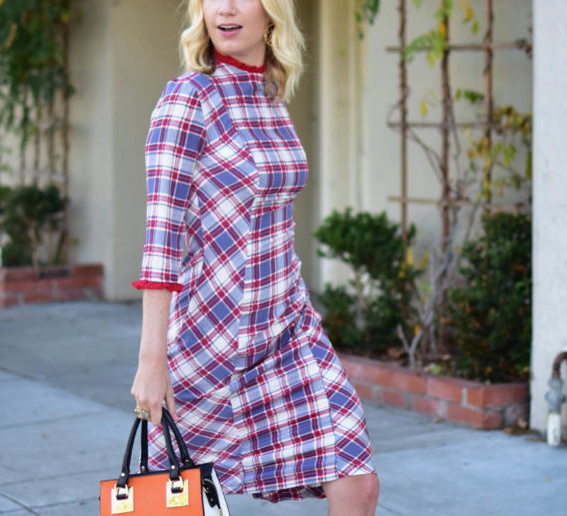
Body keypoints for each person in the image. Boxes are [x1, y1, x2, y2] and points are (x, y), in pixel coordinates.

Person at [130, 1, 380, 514]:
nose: (224, 8)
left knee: (357, 479)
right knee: (179, 502)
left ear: (272, 12)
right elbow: (161, 239)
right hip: (210, 339)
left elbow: (275, 224)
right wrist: (152, 359)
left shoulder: (270, 96)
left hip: (286, 329)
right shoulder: (188, 99)